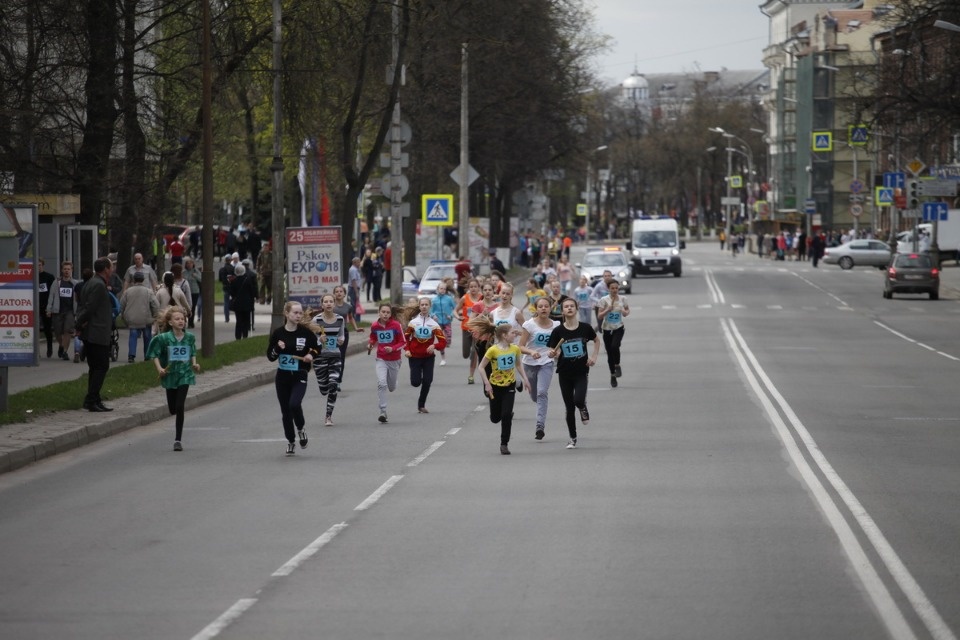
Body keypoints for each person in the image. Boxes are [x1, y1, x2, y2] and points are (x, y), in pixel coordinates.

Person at [547, 298, 601, 449]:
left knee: (578, 400)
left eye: (572, 306)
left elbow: (597, 341)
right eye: (566, 307)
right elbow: (552, 350)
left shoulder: (585, 328)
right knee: (569, 407)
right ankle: (573, 438)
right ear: (562, 311)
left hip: (581, 371)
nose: (569, 308)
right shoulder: (558, 331)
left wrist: (593, 356)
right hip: (564, 373)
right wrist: (553, 354)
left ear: (576, 309)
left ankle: (583, 407)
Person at [267, 302, 320, 456]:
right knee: (286, 412)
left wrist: (311, 355)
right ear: (287, 314)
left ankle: (301, 429)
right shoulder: (278, 334)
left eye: (300, 313)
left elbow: (317, 346)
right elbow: (270, 356)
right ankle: (291, 441)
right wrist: (278, 349)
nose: (298, 316)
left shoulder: (305, 333)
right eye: (295, 313)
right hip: (282, 377)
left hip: (299, 374)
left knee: (294, 404)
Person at [147, 306, 201, 451]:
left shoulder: (189, 337)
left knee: (179, 406)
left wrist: (195, 364)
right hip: (170, 375)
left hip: (184, 374)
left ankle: (178, 440)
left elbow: (192, 352)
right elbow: (154, 354)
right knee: (172, 409)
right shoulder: (164, 338)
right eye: (177, 319)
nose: (180, 321)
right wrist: (160, 369)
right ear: (170, 322)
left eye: (182, 319)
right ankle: (178, 415)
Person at [477, 323, 531, 455]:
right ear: (504, 335)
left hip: (509, 386)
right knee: (495, 418)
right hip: (494, 386)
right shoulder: (493, 350)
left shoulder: (515, 349)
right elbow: (481, 367)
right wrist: (487, 384)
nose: (515, 335)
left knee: (506, 415)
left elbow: (518, 365)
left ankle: (504, 444)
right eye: (512, 333)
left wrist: (525, 379)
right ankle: (500, 414)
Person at [75, 257, 116, 412]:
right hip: (96, 332)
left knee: (95, 367)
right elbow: (90, 308)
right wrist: (78, 324)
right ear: (106, 269)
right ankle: (91, 399)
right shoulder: (98, 285)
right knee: (101, 366)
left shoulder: (92, 282)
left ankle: (95, 398)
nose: (112, 270)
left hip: (92, 331)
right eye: (111, 267)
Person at [519, 297, 558, 441]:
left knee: (542, 393)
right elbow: (520, 346)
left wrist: (556, 353)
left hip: (546, 362)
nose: (543, 308)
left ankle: (540, 425)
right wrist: (531, 352)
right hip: (529, 363)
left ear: (550, 308)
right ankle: (535, 398)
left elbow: (558, 347)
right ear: (536, 309)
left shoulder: (556, 325)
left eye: (546, 306)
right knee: (534, 395)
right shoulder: (529, 325)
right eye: (540, 306)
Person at [403, 297, 447, 414]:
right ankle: (417, 375)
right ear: (419, 306)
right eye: (422, 305)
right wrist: (407, 349)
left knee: (427, 381)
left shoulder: (434, 324)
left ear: (429, 306)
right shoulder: (413, 323)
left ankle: (421, 405)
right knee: (415, 383)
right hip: (415, 356)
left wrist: (435, 346)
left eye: (426, 305)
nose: (424, 307)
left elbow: (443, 342)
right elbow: (405, 338)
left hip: (428, 357)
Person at [367, 302, 406, 423]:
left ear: (390, 314)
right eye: (383, 312)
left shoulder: (396, 325)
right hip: (381, 358)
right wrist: (370, 344)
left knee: (392, 387)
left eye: (387, 312)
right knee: (381, 383)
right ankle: (383, 411)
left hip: (394, 359)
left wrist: (393, 348)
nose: (385, 314)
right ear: (379, 312)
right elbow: (373, 337)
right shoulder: (375, 326)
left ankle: (393, 382)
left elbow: (403, 342)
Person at [311, 293, 346, 426]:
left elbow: (342, 336)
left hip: (335, 356)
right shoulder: (316, 320)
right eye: (326, 302)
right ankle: (324, 389)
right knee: (324, 389)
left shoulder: (340, 319)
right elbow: (311, 340)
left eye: (331, 301)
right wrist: (319, 340)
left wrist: (340, 341)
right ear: (322, 305)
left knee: (333, 385)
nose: (329, 304)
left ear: (334, 304)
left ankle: (328, 416)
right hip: (320, 358)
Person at [119, 271, 159, 363]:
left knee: (133, 336)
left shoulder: (128, 291)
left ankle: (131, 355)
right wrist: (155, 316)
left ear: (133, 280)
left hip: (132, 318)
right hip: (146, 318)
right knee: (147, 336)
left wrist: (123, 315)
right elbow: (155, 305)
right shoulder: (148, 291)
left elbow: (122, 304)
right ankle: (147, 355)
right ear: (143, 280)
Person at [596, 280, 630, 388]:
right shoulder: (603, 300)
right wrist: (607, 310)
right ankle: (612, 375)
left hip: (618, 327)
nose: (615, 290)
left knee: (615, 346)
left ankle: (617, 365)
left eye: (616, 288)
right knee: (610, 353)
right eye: (612, 288)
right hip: (607, 329)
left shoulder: (623, 299)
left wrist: (625, 312)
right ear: (608, 289)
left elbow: (627, 310)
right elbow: (599, 316)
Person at [45, 261, 79, 361]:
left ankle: (64, 351)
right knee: (58, 332)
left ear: (72, 270)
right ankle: (61, 345)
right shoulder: (56, 282)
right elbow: (51, 296)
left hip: (70, 311)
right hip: (57, 311)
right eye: (65, 269)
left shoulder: (75, 284)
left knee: (68, 331)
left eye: (68, 269)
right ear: (62, 270)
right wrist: (48, 309)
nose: (66, 271)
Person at [331, 284, 362, 384]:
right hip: (330, 333)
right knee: (330, 356)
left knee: (341, 356)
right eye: (337, 291)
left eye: (341, 291)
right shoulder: (330, 306)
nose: (339, 293)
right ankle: (331, 377)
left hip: (343, 333)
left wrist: (356, 328)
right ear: (334, 294)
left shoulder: (348, 306)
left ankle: (338, 380)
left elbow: (351, 317)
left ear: (344, 294)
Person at [454, 278, 482, 384]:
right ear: (468, 288)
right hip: (466, 328)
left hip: (478, 329)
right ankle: (470, 353)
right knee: (465, 354)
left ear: (478, 287)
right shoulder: (464, 298)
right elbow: (455, 311)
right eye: (471, 287)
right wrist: (458, 317)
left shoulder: (481, 298)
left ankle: (471, 376)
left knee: (474, 352)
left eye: (475, 286)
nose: (473, 289)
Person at [430, 281, 456, 366]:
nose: (443, 290)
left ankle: (447, 343)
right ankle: (443, 358)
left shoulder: (448, 299)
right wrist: (433, 315)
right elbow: (431, 311)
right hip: (438, 322)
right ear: (437, 289)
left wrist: (451, 315)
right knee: (441, 340)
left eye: (444, 289)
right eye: (441, 288)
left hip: (447, 321)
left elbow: (455, 308)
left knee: (448, 338)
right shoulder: (434, 300)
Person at [228, 263, 257, 340]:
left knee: (239, 321)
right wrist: (252, 304)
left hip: (238, 305)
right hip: (247, 304)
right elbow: (252, 293)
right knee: (246, 321)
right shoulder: (248, 280)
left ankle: (238, 336)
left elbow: (231, 292)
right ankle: (245, 335)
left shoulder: (234, 281)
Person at [37, 258, 56, 358]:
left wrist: (51, 306)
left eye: (39, 265)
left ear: (42, 265)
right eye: (36, 265)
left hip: (46, 306)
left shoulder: (49, 277)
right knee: (35, 329)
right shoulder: (32, 277)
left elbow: (52, 292)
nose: (38, 267)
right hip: (36, 307)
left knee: (47, 329)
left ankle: (49, 348)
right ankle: (36, 351)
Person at [182, 257, 201, 328]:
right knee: (186, 307)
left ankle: (191, 322)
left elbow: (201, 279)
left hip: (195, 291)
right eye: (188, 264)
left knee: (192, 307)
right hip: (186, 292)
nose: (189, 265)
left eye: (191, 264)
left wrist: (195, 276)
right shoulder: (184, 272)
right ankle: (184, 321)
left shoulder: (196, 271)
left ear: (193, 264)